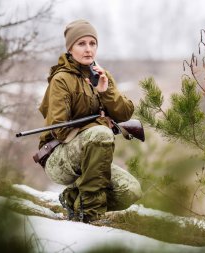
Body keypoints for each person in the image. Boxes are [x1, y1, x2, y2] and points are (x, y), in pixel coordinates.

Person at [37, 19, 142, 223]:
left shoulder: (102, 75)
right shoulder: (61, 79)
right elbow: (60, 130)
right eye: (81, 43)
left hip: (92, 159)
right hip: (58, 158)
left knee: (131, 191)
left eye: (92, 43)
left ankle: (72, 199)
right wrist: (101, 125)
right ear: (70, 48)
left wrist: (105, 91)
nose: (88, 49)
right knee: (101, 133)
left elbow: (125, 113)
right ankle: (90, 215)